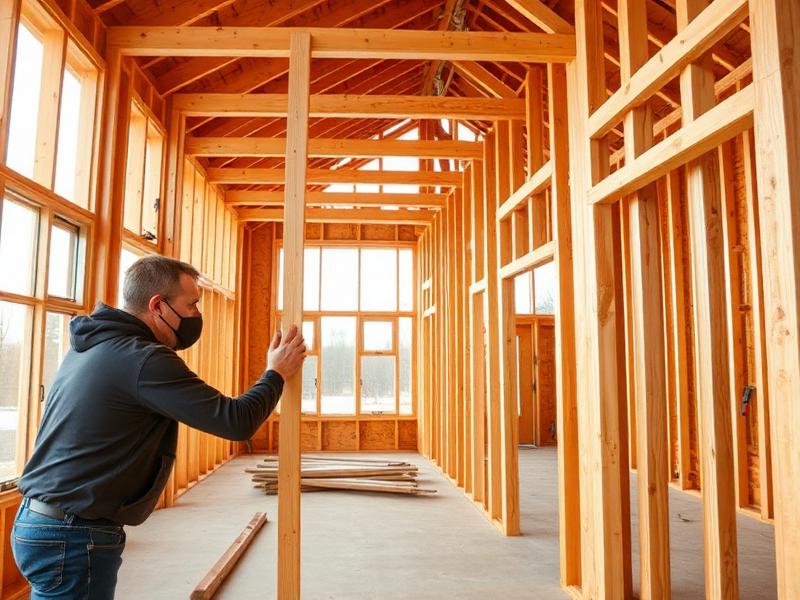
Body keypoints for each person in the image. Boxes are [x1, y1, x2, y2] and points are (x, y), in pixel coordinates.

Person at [11, 255, 305, 599]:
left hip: (42, 520)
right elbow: (235, 421)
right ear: (157, 305)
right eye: (192, 304)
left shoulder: (92, 344)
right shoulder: (143, 359)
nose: (197, 315)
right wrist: (276, 374)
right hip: (74, 533)